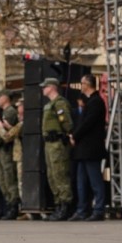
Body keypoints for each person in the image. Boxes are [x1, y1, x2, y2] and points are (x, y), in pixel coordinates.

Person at [69, 74, 107, 221]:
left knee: (95, 180)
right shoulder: (90, 101)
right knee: (81, 181)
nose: (81, 86)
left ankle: (98, 209)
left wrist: (75, 135)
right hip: (83, 149)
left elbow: (88, 123)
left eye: (82, 83)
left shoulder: (96, 102)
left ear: (87, 84)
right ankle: (82, 209)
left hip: (91, 148)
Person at [40, 78, 74, 221]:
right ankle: (58, 204)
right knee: (52, 176)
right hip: (49, 144)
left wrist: (69, 133)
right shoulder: (49, 105)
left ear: (52, 87)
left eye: (45, 86)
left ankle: (65, 205)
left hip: (57, 143)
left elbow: (66, 121)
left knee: (60, 174)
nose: (43, 89)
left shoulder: (60, 103)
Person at [0, 90, 21, 220]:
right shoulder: (4, 112)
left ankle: (13, 206)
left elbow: (3, 134)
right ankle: (9, 205)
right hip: (1, 150)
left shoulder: (9, 111)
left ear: (5, 98)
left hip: (6, 149)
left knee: (9, 179)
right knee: (3, 180)